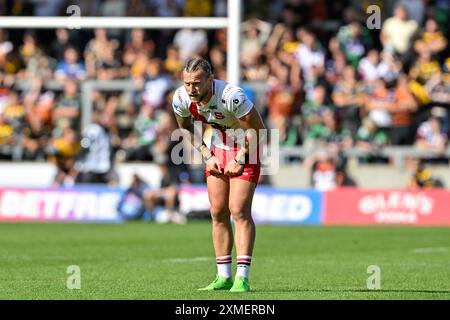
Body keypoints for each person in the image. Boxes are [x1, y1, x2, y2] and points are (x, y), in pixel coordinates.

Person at [171, 58, 266, 293]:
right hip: (217, 150)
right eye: (187, 83)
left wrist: (240, 158)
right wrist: (206, 154)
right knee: (217, 211)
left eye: (196, 83)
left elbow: (258, 130)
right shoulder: (181, 98)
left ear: (210, 80)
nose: (191, 89)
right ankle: (223, 276)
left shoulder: (231, 97)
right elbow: (185, 128)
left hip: (246, 149)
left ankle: (242, 277)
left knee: (238, 210)